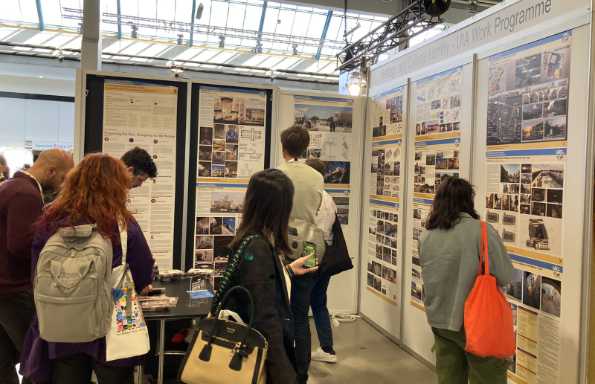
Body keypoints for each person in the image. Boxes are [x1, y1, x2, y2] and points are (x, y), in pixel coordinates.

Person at [20, 153, 155, 384]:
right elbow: (143, 273)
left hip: (63, 320)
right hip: (114, 322)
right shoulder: (123, 223)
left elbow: (36, 271)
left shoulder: (51, 220)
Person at [211, 169, 317, 384]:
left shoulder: (251, 240)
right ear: (278, 207)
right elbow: (265, 316)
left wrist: (286, 271)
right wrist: (284, 373)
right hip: (258, 355)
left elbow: (256, 284)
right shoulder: (257, 247)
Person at [419, 177, 513, 384]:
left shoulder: (427, 234)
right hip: (476, 322)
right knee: (488, 377)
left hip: (440, 320)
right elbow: (506, 275)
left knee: (448, 377)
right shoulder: (481, 231)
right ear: (468, 200)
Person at [0, 148, 73, 384]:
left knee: (3, 363)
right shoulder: (27, 194)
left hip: (4, 290)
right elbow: (20, 245)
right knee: (37, 362)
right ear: (51, 171)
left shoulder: (10, 186)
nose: (63, 186)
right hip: (15, 290)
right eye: (63, 178)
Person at [278, 125, 324, 384]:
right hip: (310, 245)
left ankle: (283, 367)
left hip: (283, 243)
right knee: (301, 311)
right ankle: (302, 372)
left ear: (283, 146)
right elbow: (316, 208)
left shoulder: (277, 174)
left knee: (280, 308)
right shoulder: (316, 177)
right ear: (306, 147)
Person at [305, 159, 338, 364]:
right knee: (319, 302)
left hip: (309, 251)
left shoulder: (310, 198)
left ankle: (298, 350)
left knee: (299, 304)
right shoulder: (329, 198)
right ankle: (327, 349)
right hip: (327, 254)